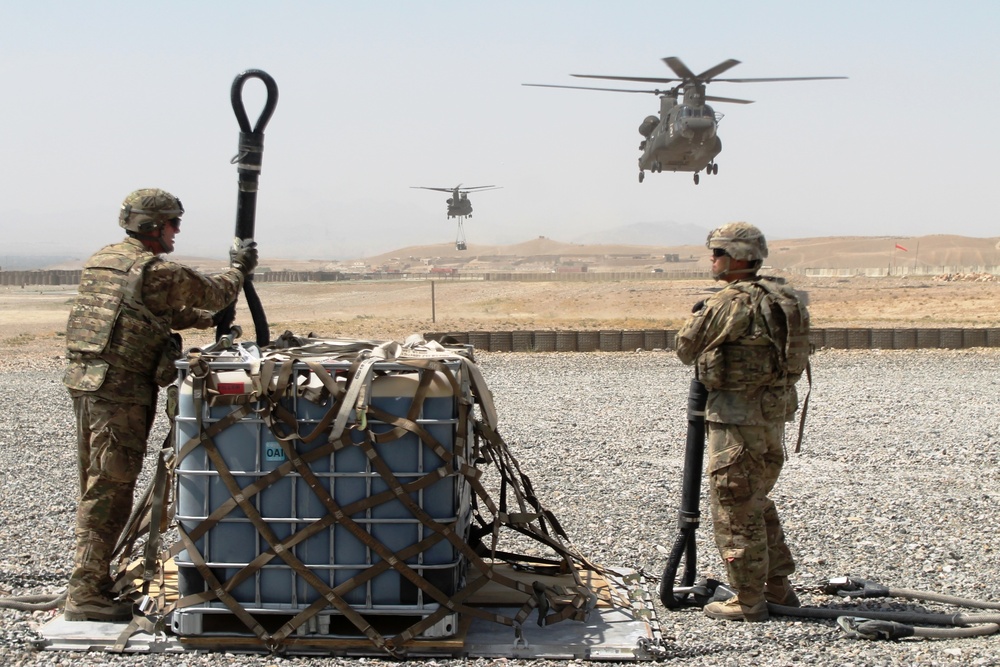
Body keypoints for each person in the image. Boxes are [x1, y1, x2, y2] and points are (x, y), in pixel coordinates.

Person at [61, 188, 258, 621]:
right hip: (119, 392)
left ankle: (90, 580)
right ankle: (85, 592)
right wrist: (240, 268)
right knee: (110, 488)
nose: (177, 231)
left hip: (88, 385)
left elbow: (144, 311)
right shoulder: (155, 270)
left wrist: (204, 322)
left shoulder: (105, 260)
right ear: (153, 227)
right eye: (173, 223)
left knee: (97, 483)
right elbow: (214, 290)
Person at [675, 222, 810, 622]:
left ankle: (748, 599)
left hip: (736, 418)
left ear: (735, 257)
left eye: (717, 253)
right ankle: (778, 586)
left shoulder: (731, 302)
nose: (712, 260)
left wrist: (697, 316)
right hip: (772, 416)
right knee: (756, 500)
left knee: (734, 505)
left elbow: (686, 348)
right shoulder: (785, 297)